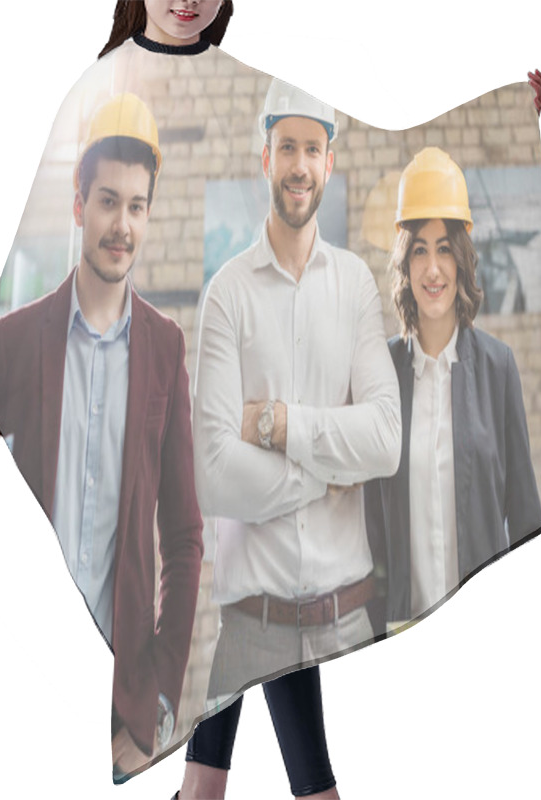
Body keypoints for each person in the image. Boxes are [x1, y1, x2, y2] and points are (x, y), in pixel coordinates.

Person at [179, 77, 402, 800]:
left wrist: (275, 425)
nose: (299, 164)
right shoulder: (227, 296)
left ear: (328, 162)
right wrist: (329, 470)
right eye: (286, 148)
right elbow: (213, 473)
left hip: (349, 623)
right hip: (258, 615)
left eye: (313, 148)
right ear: (265, 158)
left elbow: (385, 441)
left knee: (222, 788)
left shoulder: (358, 286)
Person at [0, 92, 204, 778]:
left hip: (116, 702)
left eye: (137, 206)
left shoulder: (165, 349)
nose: (122, 225)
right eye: (108, 201)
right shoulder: (13, 344)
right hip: (15, 674)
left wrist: (160, 695)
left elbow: (185, 536)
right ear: (78, 205)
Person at [365, 146, 541, 632]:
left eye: (444, 247)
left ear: (462, 258)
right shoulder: (381, 371)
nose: (433, 269)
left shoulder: (497, 367)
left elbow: (526, 518)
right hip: (403, 632)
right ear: (405, 263)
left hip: (486, 628)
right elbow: (369, 526)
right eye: (419, 249)